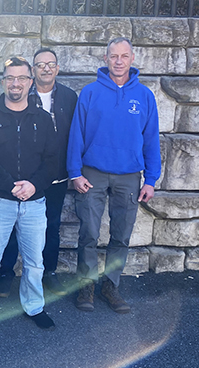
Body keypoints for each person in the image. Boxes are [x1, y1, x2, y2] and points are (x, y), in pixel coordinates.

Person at [68, 37, 160, 313]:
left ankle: (111, 285)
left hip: (129, 176)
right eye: (113, 56)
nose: (118, 61)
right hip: (92, 172)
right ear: (105, 59)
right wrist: (74, 172)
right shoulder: (90, 92)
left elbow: (151, 140)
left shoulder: (144, 96)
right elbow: (76, 135)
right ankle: (86, 284)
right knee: (89, 232)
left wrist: (151, 179)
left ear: (132, 59)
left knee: (121, 235)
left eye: (124, 56)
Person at [0, 56, 59, 331]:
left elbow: (54, 160)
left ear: (30, 82)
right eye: (10, 78)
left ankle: (34, 306)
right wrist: (11, 185)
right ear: (3, 82)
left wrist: (33, 185)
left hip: (34, 202)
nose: (16, 83)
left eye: (21, 78)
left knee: (34, 262)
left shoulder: (43, 120)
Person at [0, 48, 78, 297]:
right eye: (40, 64)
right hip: (23, 178)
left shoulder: (68, 97)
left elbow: (76, 135)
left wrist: (75, 169)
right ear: (32, 71)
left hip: (55, 176)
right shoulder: (20, 92)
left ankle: (49, 272)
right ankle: (6, 274)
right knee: (12, 227)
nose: (46, 68)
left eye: (50, 64)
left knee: (51, 226)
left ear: (57, 68)